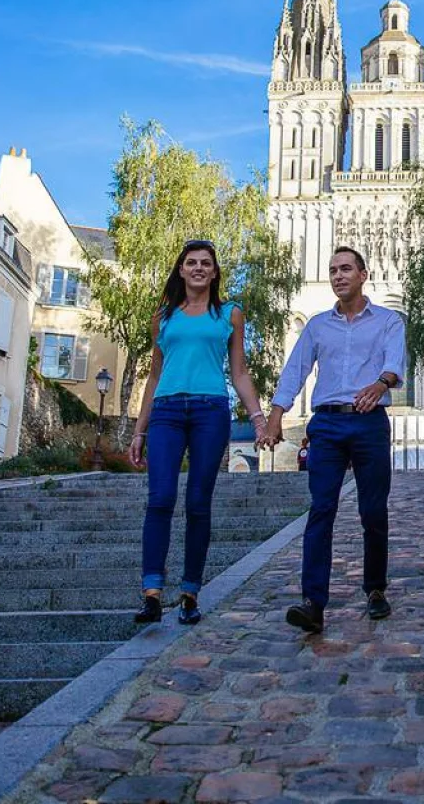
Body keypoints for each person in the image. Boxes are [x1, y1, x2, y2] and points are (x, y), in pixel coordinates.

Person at [264, 246, 406, 634]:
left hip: (368, 423)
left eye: (346, 269)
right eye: (332, 270)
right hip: (326, 425)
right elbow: (295, 369)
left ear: (364, 274)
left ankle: (375, 589)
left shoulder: (389, 321)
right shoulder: (316, 325)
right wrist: (276, 415)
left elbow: (395, 361)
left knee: (373, 511)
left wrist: (381, 384)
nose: (338, 275)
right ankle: (313, 603)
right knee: (321, 509)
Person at [129, 239, 268, 625]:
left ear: (215, 272)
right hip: (167, 412)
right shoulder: (163, 318)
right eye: (191, 262)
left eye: (206, 263)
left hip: (210, 411)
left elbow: (239, 372)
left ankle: (190, 593)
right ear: (181, 269)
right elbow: (154, 376)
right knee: (160, 498)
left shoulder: (229, 314)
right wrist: (140, 431)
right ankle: (152, 594)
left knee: (197, 503)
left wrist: (257, 416)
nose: (199, 268)